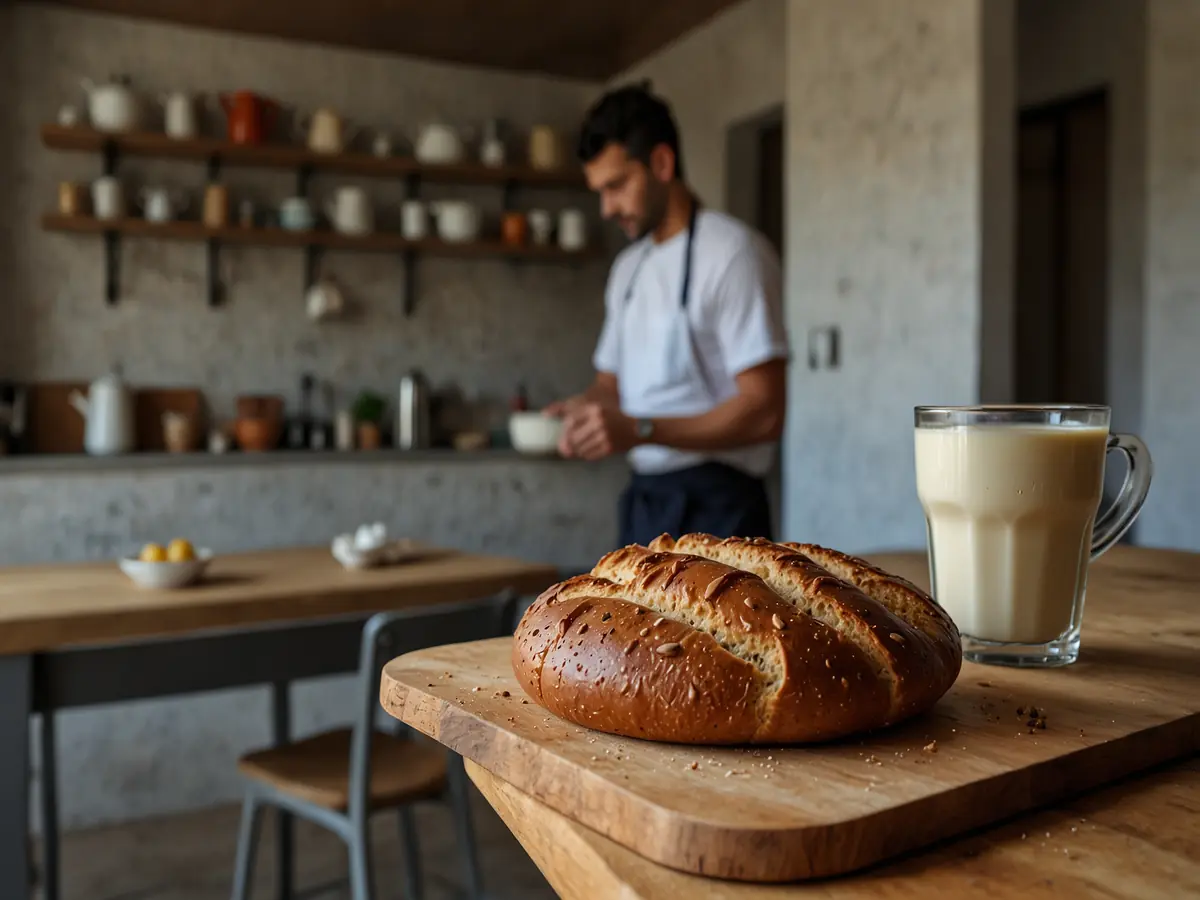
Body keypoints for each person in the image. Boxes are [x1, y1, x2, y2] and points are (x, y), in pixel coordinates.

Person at [547, 83, 789, 547]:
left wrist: (640, 429)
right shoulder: (628, 269)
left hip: (721, 506)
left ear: (661, 162)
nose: (607, 209)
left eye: (617, 186)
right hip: (645, 502)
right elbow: (610, 384)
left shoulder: (734, 254)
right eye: (599, 192)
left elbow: (765, 411)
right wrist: (586, 410)